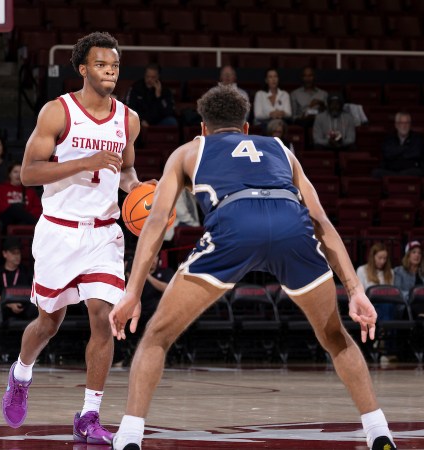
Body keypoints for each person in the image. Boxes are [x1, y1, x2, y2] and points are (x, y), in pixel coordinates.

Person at [109, 85, 396, 450]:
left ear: (203, 128)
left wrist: (133, 292)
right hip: (291, 225)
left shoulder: (189, 151)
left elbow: (155, 222)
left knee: (157, 336)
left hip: (236, 224)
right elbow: (321, 220)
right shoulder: (281, 149)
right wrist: (355, 291)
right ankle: (378, 431)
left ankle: (130, 437)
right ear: (246, 128)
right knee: (336, 337)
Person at [0, 32, 143, 445]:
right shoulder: (57, 112)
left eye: (114, 65)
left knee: (105, 318)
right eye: (101, 65)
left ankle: (90, 414)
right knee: (49, 323)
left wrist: (139, 192)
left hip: (103, 233)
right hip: (60, 230)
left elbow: (126, 172)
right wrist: (86, 162)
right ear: (83, 69)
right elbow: (28, 173)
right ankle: (21, 373)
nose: (110, 72)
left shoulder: (128, 119)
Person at [0, 236, 35, 319]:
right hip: (4, 307)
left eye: (18, 253)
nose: (17, 256)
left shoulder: (26, 272)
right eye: (13, 253)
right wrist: (10, 304)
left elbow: (32, 293)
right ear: (4, 254)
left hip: (23, 306)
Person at [372, 111, 424, 178]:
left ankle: (397, 177)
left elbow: (416, 153)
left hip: (410, 171)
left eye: (407, 123)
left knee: (418, 172)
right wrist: (406, 149)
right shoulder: (388, 139)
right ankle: (398, 177)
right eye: (401, 123)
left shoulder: (418, 139)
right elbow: (387, 154)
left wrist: (396, 152)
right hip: (391, 170)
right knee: (376, 172)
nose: (404, 126)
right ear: (396, 125)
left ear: (410, 125)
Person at [0, 162, 42, 231]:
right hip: (6, 218)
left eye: (21, 172)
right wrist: (16, 211)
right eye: (15, 172)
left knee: (20, 216)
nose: (18, 175)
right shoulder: (0, 188)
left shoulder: (30, 191)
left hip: (25, 220)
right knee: (14, 208)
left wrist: (22, 214)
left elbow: (37, 208)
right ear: (9, 174)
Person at [125, 62, 177, 127]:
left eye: (153, 77)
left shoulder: (165, 90)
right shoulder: (136, 87)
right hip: (140, 121)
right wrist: (141, 120)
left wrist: (159, 97)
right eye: (147, 76)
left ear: (158, 76)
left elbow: (169, 111)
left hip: (158, 121)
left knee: (171, 121)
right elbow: (129, 108)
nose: (149, 79)